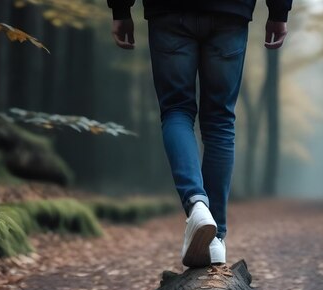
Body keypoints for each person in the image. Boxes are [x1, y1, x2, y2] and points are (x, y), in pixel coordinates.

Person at [106, 0, 292, 267]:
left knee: (176, 110)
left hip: (170, 14)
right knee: (220, 120)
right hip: (231, 12)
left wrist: (121, 9)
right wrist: (278, 11)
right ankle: (215, 239)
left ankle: (196, 205)